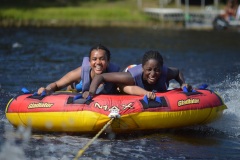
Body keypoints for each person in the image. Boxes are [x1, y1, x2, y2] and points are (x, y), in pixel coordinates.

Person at [82, 50, 191, 99]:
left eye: (157, 70)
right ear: (143, 68)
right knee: (122, 87)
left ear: (161, 68)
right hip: (130, 76)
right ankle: (76, 85)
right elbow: (101, 76)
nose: (153, 74)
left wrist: (183, 84)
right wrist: (91, 92)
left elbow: (177, 72)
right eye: (149, 70)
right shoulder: (131, 76)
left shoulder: (165, 72)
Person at [37, 44, 120, 95]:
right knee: (71, 88)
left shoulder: (114, 75)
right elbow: (56, 85)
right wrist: (47, 89)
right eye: (94, 59)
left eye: (102, 59)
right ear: (90, 61)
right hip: (77, 90)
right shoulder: (81, 72)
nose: (98, 62)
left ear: (108, 61)